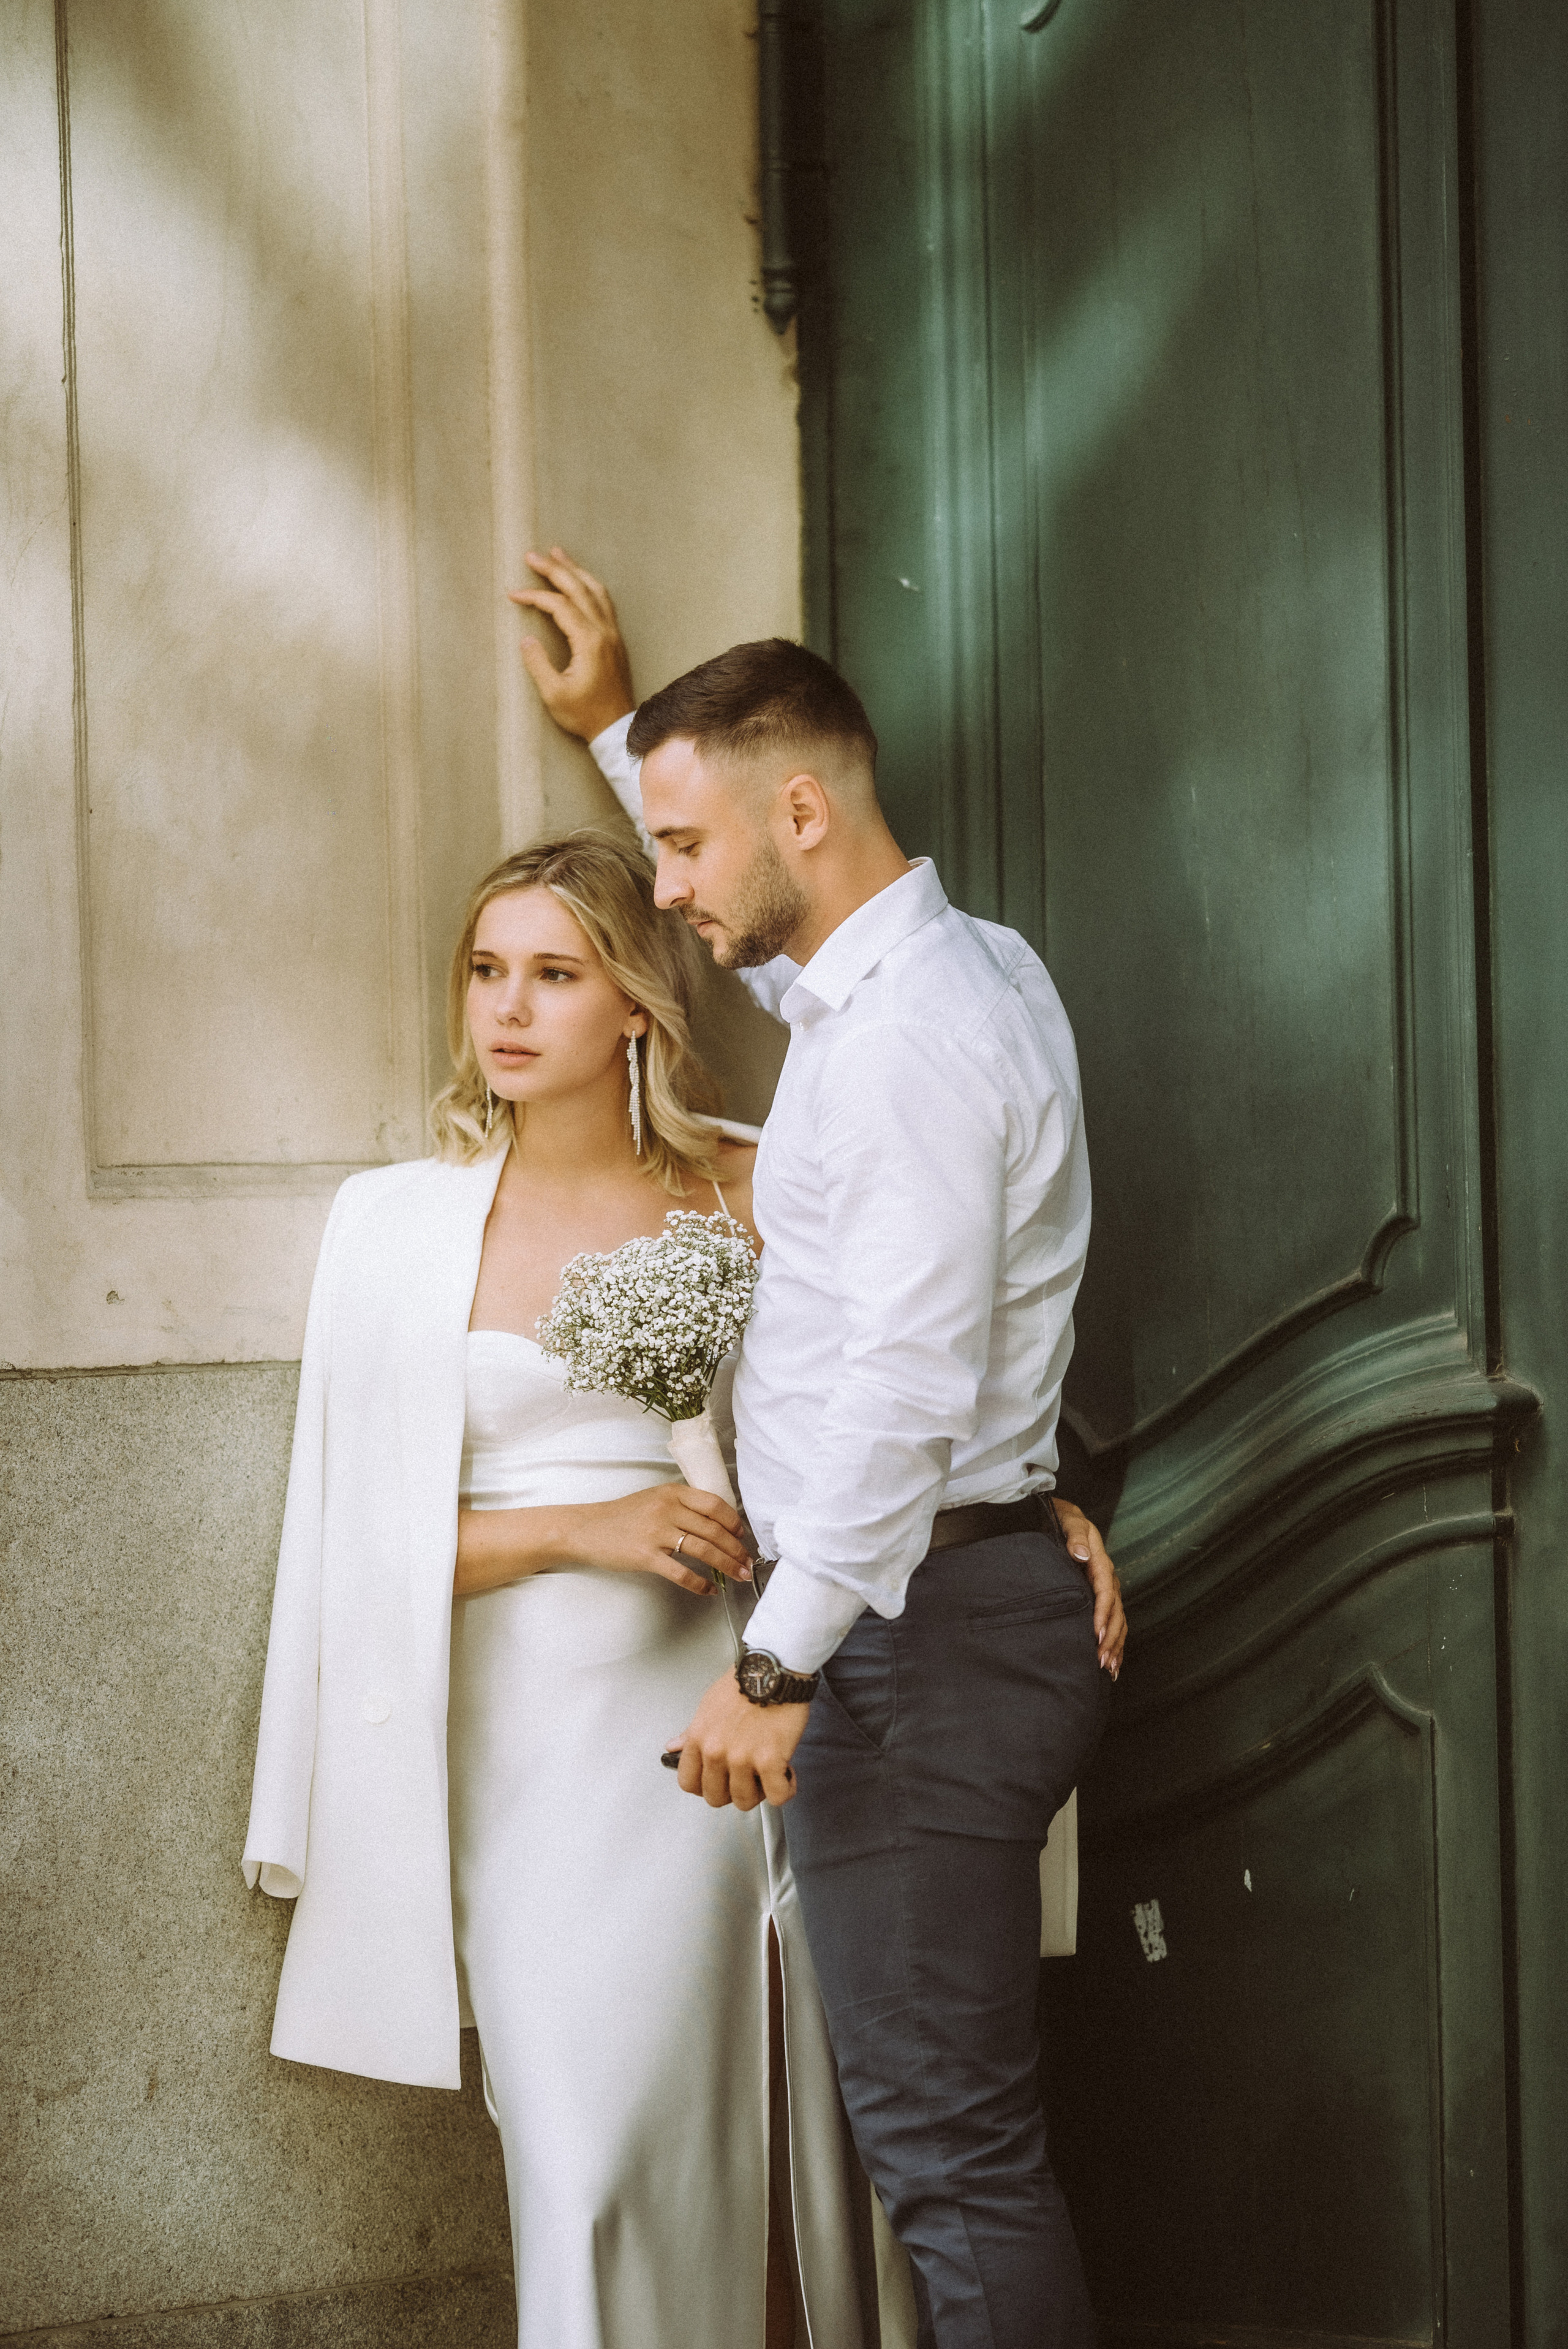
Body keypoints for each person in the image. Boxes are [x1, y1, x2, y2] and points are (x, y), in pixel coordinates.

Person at [511, 551, 1127, 2349]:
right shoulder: (919, 981)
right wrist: (631, 740)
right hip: (927, 1606)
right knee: (938, 2136)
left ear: (802, 807)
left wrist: (780, 1663)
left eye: (688, 850)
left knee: (948, 2148)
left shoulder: (926, 1034)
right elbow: (800, 981)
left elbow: (910, 1385)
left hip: (911, 1637)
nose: (670, 888)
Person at [243, 831, 872, 2349]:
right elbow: (346, 1549)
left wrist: (1034, 1502)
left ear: (637, 1008)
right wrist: (582, 1532)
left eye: (551, 974)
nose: (505, 1011)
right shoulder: (395, 1228)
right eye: (483, 973)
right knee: (578, 2153)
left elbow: (892, 1393)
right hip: (511, 1751)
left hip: (713, 1726)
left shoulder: (745, 1188)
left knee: (770, 2137)